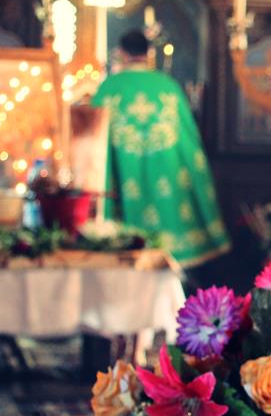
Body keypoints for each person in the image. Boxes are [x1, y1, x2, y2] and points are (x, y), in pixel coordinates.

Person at [91, 30, 230, 267]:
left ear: (121, 53)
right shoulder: (168, 86)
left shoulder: (109, 88)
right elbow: (188, 136)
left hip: (125, 173)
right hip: (165, 172)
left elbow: (92, 138)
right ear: (149, 52)